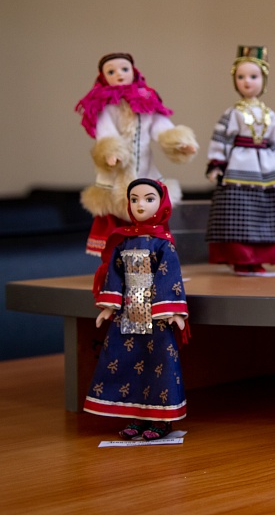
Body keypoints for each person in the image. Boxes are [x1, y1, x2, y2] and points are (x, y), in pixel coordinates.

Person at [84, 178, 189, 440]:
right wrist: (109, 306)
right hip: (128, 311)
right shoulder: (123, 242)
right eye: (134, 199)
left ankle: (160, 421)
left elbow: (170, 276)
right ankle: (136, 416)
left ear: (162, 204)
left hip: (156, 314)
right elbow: (115, 274)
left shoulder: (163, 244)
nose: (140, 205)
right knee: (127, 362)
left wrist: (174, 310)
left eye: (149, 199)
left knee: (158, 364)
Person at [75, 52, 198, 256]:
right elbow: (105, 132)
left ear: (134, 71)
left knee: (151, 208)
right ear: (103, 77)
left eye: (124, 69)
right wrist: (111, 151)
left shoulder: (146, 99)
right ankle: (116, 261)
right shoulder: (106, 106)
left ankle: (155, 257)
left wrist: (179, 142)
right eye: (111, 72)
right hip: (116, 173)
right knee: (116, 213)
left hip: (145, 169)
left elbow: (160, 126)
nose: (119, 74)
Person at [206, 46, 275, 276]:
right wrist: (216, 163)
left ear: (263, 80)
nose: (247, 81)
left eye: (253, 76)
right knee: (238, 215)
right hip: (238, 167)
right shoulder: (232, 113)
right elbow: (221, 138)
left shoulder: (269, 114)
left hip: (266, 168)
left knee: (264, 214)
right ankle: (240, 258)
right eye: (241, 77)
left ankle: (258, 258)